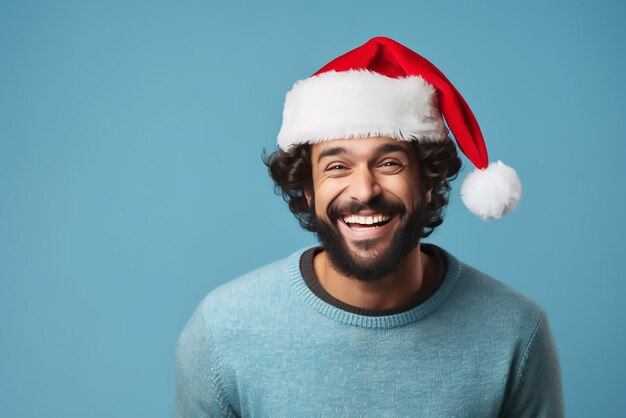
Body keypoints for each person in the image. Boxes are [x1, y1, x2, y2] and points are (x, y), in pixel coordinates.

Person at [174, 37, 564, 417]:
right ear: (308, 189)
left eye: (389, 163)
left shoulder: (516, 333)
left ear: (427, 182)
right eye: (336, 166)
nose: (364, 190)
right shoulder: (223, 331)